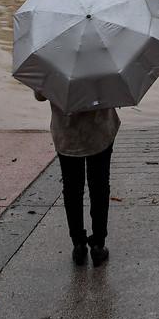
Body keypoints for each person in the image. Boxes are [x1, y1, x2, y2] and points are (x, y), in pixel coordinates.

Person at [37, 92, 119, 267]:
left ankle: (78, 244)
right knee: (100, 186)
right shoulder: (102, 62)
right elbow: (113, 90)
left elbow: (40, 95)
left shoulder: (53, 63)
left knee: (72, 188)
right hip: (99, 130)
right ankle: (98, 244)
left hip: (66, 133)